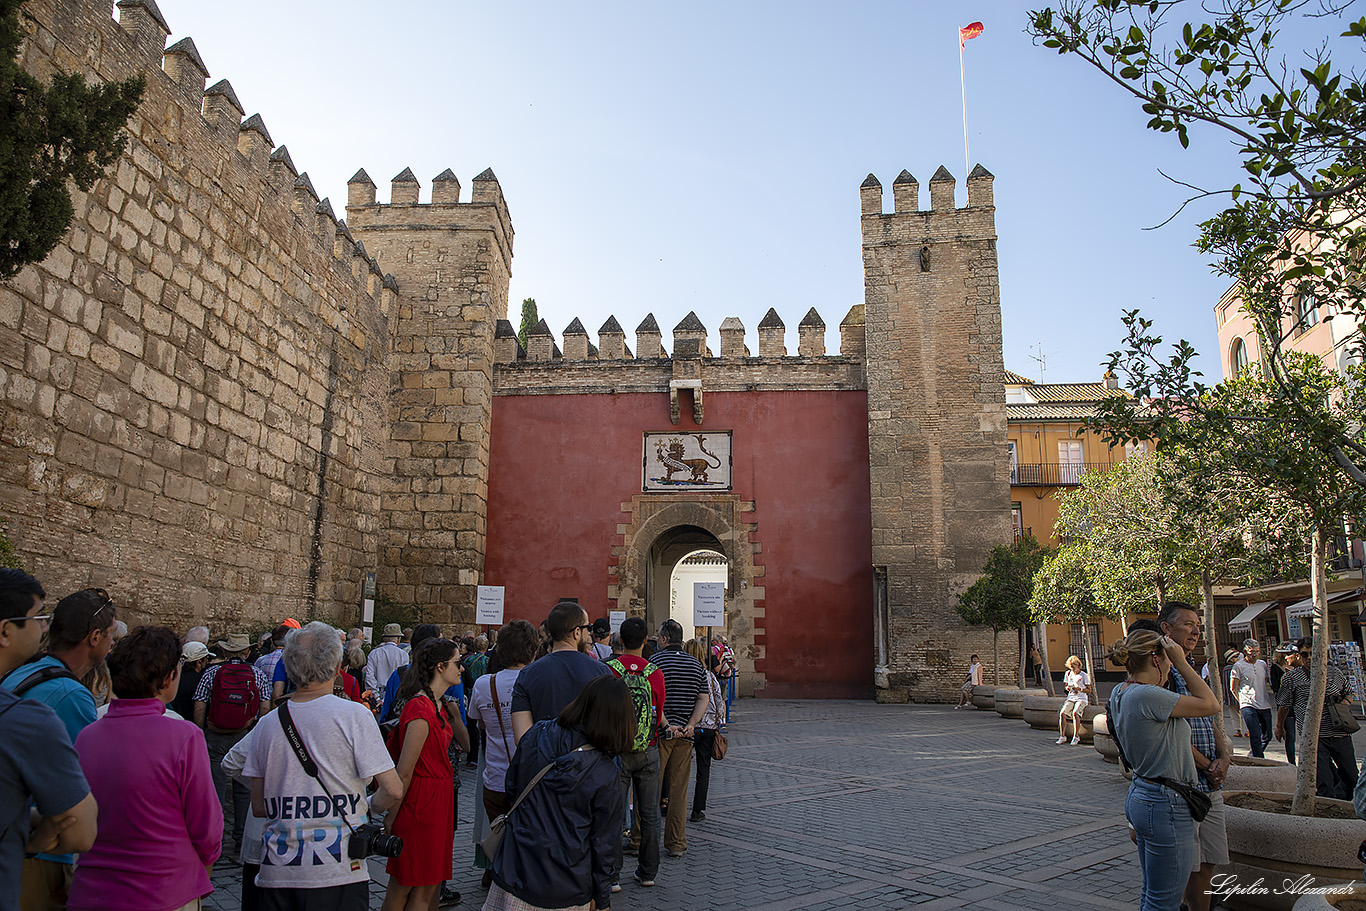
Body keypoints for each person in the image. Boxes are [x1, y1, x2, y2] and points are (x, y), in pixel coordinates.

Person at [244, 622, 404, 910]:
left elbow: (259, 805)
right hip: (338, 869)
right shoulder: (354, 715)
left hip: (279, 870)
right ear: (337, 666)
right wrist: (364, 805)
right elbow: (392, 790)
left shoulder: (266, 725)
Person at [68, 626, 222, 911]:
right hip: (164, 889)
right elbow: (207, 828)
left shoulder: (87, 736)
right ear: (168, 679)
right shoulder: (184, 737)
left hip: (93, 889)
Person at [3, 587, 116, 910]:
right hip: (40, 856)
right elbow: (79, 783)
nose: (111, 643)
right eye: (109, 635)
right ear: (94, 637)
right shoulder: (70, 694)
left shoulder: (24, 672)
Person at [487, 675, 633, 911]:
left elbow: (512, 788)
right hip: (567, 883)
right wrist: (602, 898)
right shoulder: (605, 771)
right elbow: (605, 844)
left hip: (516, 868)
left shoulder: (536, 733)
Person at [1106, 629, 1219, 911]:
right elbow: (1211, 704)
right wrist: (1182, 662)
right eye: (1168, 661)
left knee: (1152, 894)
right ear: (1157, 660)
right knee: (1164, 901)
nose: (1171, 667)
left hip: (1144, 793)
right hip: (1166, 802)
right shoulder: (1148, 695)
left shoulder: (1121, 692)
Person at [380, 639, 464, 911]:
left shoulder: (438, 705)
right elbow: (404, 771)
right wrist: (391, 815)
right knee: (404, 887)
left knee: (428, 888)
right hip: (421, 801)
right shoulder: (420, 708)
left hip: (438, 800)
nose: (461, 669)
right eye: (457, 663)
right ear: (440, 667)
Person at [1157, 601, 1230, 911]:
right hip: (1185, 787)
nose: (1196, 630)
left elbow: (1212, 718)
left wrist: (1225, 756)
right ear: (1167, 629)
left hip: (1211, 786)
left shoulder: (1193, 671)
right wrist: (1207, 764)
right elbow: (1169, 733)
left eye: (1198, 624)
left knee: (1209, 863)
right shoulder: (1164, 675)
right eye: (1188, 624)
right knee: (1188, 864)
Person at [467, 620, 538, 889]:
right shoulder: (535, 679)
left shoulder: (485, 684)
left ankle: (495, 874)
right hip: (528, 779)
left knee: (497, 828)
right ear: (533, 652)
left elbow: (478, 722)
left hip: (495, 778)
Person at [193, 632, 271, 860]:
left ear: (225, 651)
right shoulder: (256, 674)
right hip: (243, 733)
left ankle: (215, 840)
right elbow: (264, 707)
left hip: (215, 735)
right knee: (243, 790)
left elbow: (200, 703)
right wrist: (253, 729)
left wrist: (201, 731)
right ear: (247, 652)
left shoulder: (211, 673)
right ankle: (240, 838)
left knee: (215, 788)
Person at [604, 617, 665, 888]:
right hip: (648, 749)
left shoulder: (609, 670)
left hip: (616, 750)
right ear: (644, 641)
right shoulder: (654, 672)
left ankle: (613, 874)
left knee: (614, 813)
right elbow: (658, 710)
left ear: (619, 640)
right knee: (650, 813)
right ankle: (647, 872)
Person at [510, 602, 612, 743]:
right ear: (577, 632)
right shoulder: (601, 672)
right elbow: (610, 728)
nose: (589, 633)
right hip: (587, 761)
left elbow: (521, 737)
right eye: (588, 628)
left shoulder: (527, 674)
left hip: (544, 761)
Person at [650, 619, 708, 858]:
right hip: (685, 736)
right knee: (679, 791)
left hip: (661, 735)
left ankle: (640, 838)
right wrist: (690, 725)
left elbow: (651, 697)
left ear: (664, 639)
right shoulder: (695, 664)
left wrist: (666, 724)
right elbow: (703, 697)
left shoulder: (654, 662)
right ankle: (676, 843)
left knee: (651, 790)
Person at [1276, 637, 1358, 800]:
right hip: (1314, 736)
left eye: (1314, 654)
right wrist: (1279, 726)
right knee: (1324, 781)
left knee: (1352, 777)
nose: (1310, 658)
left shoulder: (1334, 673)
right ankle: (1329, 810)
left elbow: (1349, 693)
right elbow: (1284, 705)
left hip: (1339, 732)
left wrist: (1343, 705)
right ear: (1299, 656)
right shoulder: (1292, 678)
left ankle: (1345, 802)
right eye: (1305, 654)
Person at [691, 649, 725, 824]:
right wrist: (720, 720)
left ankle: (669, 804)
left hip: (689, 726)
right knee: (703, 770)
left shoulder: (689, 674)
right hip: (709, 727)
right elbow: (719, 700)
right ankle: (698, 809)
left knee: (678, 769)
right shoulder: (710, 677)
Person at [1231, 638, 1274, 758]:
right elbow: (1233, 687)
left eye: (1257, 651)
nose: (1255, 655)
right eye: (1252, 652)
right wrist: (1242, 702)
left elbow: (1264, 681)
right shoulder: (1238, 666)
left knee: (1268, 735)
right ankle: (1259, 760)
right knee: (1255, 734)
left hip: (1264, 703)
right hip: (1248, 704)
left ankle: (1254, 753)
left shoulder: (1262, 664)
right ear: (1245, 652)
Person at [172, 640, 214, 719]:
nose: (207, 661)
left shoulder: (174, 678)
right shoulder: (201, 681)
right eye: (206, 658)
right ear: (199, 662)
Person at [367, 623, 410, 694]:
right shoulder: (403, 655)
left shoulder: (374, 654)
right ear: (398, 638)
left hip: (378, 691)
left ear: (384, 638)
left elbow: (370, 678)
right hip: (395, 692)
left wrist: (376, 697)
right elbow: (403, 678)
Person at [1056, 656, 1090, 744]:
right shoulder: (1068, 674)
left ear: (1078, 665)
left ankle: (1076, 736)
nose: (1073, 668)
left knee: (1075, 713)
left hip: (1081, 698)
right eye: (1071, 666)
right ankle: (1062, 736)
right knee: (1062, 713)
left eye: (1074, 666)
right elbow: (1066, 686)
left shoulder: (1083, 675)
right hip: (1071, 697)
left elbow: (1089, 690)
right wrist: (1068, 688)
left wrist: (1080, 689)